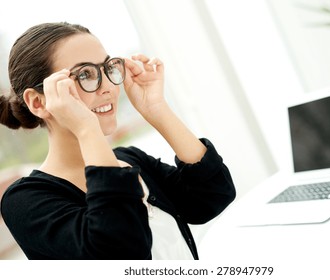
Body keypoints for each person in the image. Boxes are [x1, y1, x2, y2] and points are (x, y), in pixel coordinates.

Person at [0, 22, 236, 260]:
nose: (108, 87)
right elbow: (120, 249)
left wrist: (156, 108)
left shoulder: (129, 159)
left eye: (107, 69)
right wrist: (86, 129)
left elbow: (213, 195)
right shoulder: (24, 201)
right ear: (38, 102)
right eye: (84, 74)